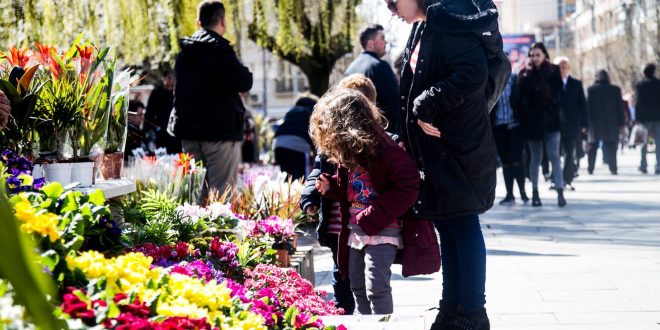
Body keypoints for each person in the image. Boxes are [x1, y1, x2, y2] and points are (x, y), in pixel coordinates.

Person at [389, 0, 511, 328]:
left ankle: (473, 312)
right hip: (437, 147)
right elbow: (413, 86)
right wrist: (406, 130)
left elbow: (472, 73)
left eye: (394, 0)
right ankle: (452, 307)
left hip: (458, 146)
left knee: (463, 223)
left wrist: (426, 104)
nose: (391, 7)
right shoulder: (424, 27)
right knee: (447, 223)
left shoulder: (447, 22)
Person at [310, 89, 421, 315]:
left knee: (376, 286)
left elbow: (407, 185)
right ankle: (366, 323)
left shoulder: (387, 150)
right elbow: (352, 188)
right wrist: (331, 186)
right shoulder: (351, 153)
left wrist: (372, 215)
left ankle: (381, 325)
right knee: (357, 285)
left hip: (382, 230)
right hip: (357, 230)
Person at [299, 74, 380, 316]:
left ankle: (370, 315)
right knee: (341, 273)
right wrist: (310, 196)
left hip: (367, 220)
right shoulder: (329, 142)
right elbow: (317, 171)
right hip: (338, 224)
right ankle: (343, 312)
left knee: (370, 274)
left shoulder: (377, 141)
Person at [168, 0, 253, 203]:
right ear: (222, 21)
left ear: (198, 23)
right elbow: (244, 81)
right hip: (219, 132)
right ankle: (220, 234)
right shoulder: (221, 50)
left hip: (189, 132)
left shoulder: (184, 54)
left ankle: (194, 234)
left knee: (196, 191)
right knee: (221, 193)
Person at [516, 42, 566, 207]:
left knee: (554, 157)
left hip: (551, 121)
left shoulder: (553, 70)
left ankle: (560, 191)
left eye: (538, 55)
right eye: (532, 55)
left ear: (544, 55)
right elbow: (521, 96)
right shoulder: (525, 74)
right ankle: (535, 192)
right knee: (535, 158)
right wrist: (528, 73)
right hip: (533, 123)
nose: (535, 58)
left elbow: (559, 91)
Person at [345, 24, 401, 134]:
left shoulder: (349, 70)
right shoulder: (380, 66)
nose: (386, 42)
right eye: (382, 38)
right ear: (370, 43)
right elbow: (395, 104)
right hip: (383, 135)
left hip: (356, 134)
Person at [491, 72, 528, 205]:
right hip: (499, 127)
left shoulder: (516, 80)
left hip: (515, 126)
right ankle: (509, 194)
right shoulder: (492, 81)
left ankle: (523, 192)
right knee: (505, 161)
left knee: (516, 160)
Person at [554, 56, 588, 190]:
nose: (561, 69)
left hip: (572, 124)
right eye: (558, 67)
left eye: (564, 66)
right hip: (555, 124)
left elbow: (583, 105)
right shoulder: (551, 83)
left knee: (569, 153)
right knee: (555, 153)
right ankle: (555, 179)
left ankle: (567, 179)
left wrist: (585, 124)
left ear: (568, 68)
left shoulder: (576, 84)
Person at [586, 70, 625, 175]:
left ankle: (590, 168)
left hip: (595, 123)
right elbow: (619, 108)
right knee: (612, 147)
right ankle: (613, 168)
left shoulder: (591, 90)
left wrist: (586, 123)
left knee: (593, 147)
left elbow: (587, 108)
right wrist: (622, 123)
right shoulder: (615, 90)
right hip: (611, 123)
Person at [272, 95, 318, 180]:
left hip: (278, 143)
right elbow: (314, 133)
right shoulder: (311, 112)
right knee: (300, 177)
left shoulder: (291, 111)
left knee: (284, 176)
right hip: (298, 144)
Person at [146, 70, 181, 154]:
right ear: (164, 78)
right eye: (169, 78)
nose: (172, 80)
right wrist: (154, 129)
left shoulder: (179, 93)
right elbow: (149, 114)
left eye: (174, 78)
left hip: (176, 133)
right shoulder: (156, 93)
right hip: (161, 133)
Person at [635, 63, 660, 174]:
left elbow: (639, 103)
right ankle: (659, 165)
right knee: (658, 142)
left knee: (643, 142)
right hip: (658, 117)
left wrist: (637, 118)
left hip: (645, 118)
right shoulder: (658, 83)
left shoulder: (641, 85)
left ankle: (643, 165)